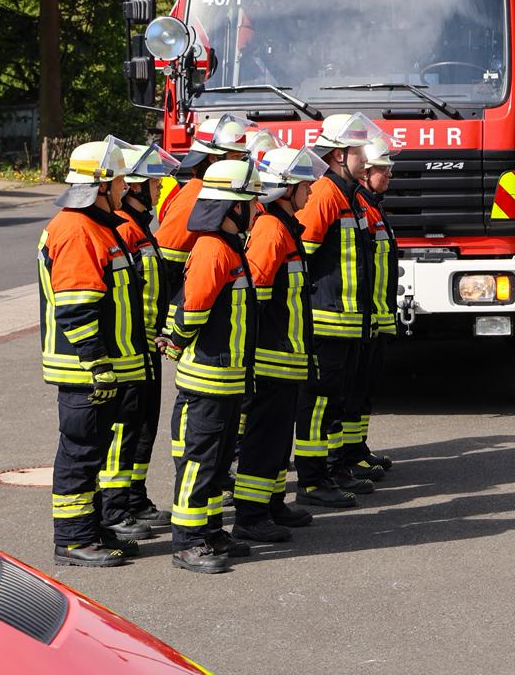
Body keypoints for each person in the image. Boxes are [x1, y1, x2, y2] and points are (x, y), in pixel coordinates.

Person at [37, 138, 146, 567]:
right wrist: (98, 363)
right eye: (119, 181)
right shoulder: (77, 230)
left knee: (92, 453)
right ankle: (72, 539)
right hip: (85, 370)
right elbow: (77, 307)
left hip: (99, 368)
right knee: (80, 454)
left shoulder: (95, 225)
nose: (125, 188)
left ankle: (90, 527)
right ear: (100, 186)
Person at [154, 158, 261, 574]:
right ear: (232, 207)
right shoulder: (213, 249)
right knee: (199, 462)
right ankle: (187, 542)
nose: (255, 208)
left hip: (227, 378)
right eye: (249, 202)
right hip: (208, 380)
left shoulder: (229, 247)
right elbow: (193, 309)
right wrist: (177, 338)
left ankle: (211, 532)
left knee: (215, 464)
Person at [232, 146, 326, 544]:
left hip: (285, 358)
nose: (311, 192)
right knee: (263, 439)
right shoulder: (271, 230)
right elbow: (255, 298)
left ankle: (270, 504)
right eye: (305, 185)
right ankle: (250, 516)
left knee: (277, 439)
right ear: (286, 189)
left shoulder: (284, 227)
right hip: (271, 359)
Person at [293, 113, 381, 506]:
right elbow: (302, 255)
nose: (366, 159)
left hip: (348, 323)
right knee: (318, 404)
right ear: (339, 154)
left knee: (336, 401)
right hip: (327, 322)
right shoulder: (326, 194)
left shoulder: (349, 195)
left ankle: (334, 469)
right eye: (360, 151)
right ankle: (313, 480)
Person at [101, 143, 181, 540]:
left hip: (146, 345)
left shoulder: (139, 226)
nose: (159, 188)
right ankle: (113, 508)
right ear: (132, 187)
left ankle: (134, 498)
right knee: (124, 430)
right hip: (127, 349)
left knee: (143, 428)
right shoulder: (122, 227)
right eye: (153, 182)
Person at [348, 134, 400, 480]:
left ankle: (357, 449)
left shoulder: (371, 206)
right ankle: (349, 455)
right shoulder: (361, 207)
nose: (390, 174)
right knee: (352, 393)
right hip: (361, 319)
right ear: (366, 172)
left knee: (364, 392)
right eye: (384, 169)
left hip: (375, 317)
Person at [155, 112, 252, 291]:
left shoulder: (219, 193)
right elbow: (166, 260)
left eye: (241, 158)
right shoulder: (195, 195)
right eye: (234, 158)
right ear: (212, 158)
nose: (240, 165)